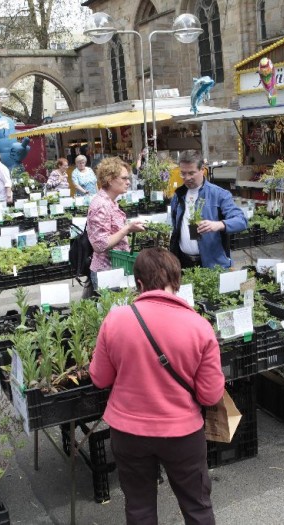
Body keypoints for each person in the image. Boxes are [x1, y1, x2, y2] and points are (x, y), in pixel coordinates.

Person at [89, 247, 224, 525]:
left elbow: (99, 378)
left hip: (128, 432)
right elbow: (210, 395)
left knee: (139, 507)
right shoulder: (199, 326)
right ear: (177, 280)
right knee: (197, 507)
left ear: (138, 283)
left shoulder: (116, 319)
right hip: (182, 433)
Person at [170, 150, 248, 269]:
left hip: (212, 264)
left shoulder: (219, 194)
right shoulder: (178, 195)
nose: (187, 178)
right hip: (183, 263)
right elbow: (174, 225)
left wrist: (219, 225)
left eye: (191, 173)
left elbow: (241, 221)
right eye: (183, 173)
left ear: (202, 169)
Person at [86, 157, 145, 287]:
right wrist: (127, 229)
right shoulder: (101, 205)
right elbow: (99, 245)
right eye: (124, 178)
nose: (128, 182)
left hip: (115, 268)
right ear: (110, 180)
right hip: (107, 272)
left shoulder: (110, 201)